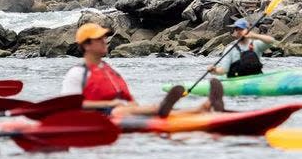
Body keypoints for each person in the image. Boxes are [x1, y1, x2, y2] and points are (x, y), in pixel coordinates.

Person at [61, 23, 224, 116]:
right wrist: (111, 103)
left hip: (120, 111)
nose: (105, 41)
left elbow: (127, 96)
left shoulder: (109, 70)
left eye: (104, 37)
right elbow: (69, 106)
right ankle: (191, 109)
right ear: (86, 45)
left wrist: (134, 107)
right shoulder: (77, 73)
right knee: (125, 110)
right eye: (99, 39)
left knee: (146, 108)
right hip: (100, 117)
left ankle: (197, 109)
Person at [208, 18, 275, 78]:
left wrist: (255, 35)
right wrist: (215, 71)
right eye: (236, 29)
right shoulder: (230, 49)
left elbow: (272, 41)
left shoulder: (255, 44)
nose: (238, 31)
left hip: (255, 80)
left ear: (247, 30)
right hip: (237, 82)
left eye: (241, 29)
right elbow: (224, 70)